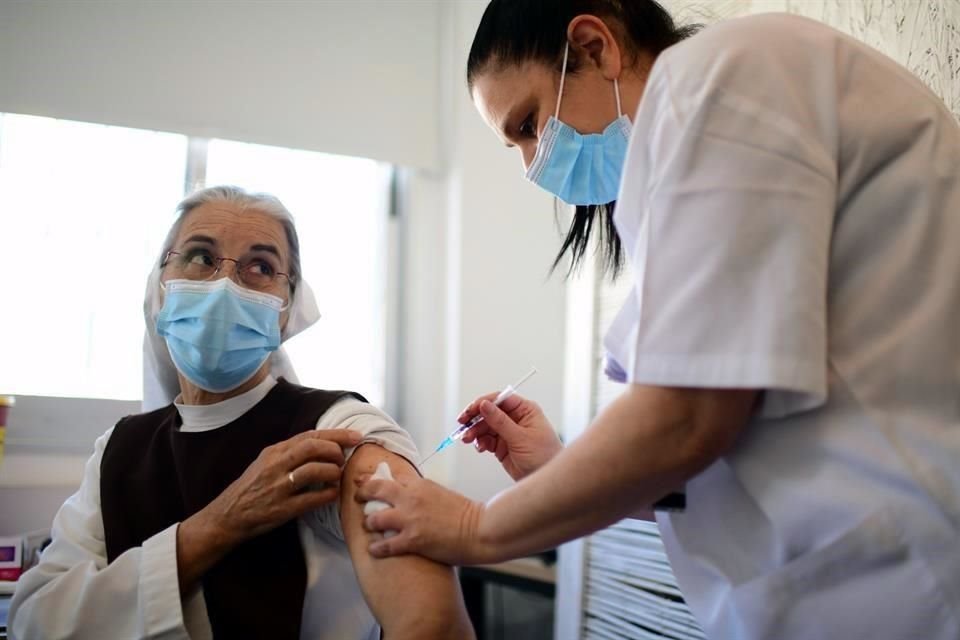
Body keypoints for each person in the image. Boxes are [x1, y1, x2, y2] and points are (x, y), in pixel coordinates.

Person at [357, 1, 960, 638]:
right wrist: (556, 466)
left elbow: (689, 418)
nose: (534, 165)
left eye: (530, 124)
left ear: (593, 47)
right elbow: (712, 462)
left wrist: (474, 527)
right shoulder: (694, 172)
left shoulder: (728, 73)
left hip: (914, 576)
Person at [10, 186, 474, 640]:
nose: (225, 285)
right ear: (161, 288)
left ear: (286, 309)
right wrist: (222, 523)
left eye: (260, 265)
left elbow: (431, 621)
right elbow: (34, 619)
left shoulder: (337, 427)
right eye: (200, 256)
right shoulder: (119, 449)